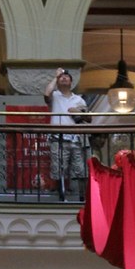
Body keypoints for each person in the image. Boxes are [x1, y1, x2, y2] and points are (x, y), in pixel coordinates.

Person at [44, 67, 89, 200]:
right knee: (59, 168)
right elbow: (46, 94)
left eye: (66, 77)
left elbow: (88, 117)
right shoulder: (55, 96)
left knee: (80, 169)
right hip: (58, 138)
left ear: (71, 82)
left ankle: (82, 197)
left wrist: (77, 111)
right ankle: (62, 197)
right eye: (61, 77)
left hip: (76, 138)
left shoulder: (78, 99)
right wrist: (55, 76)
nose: (63, 78)